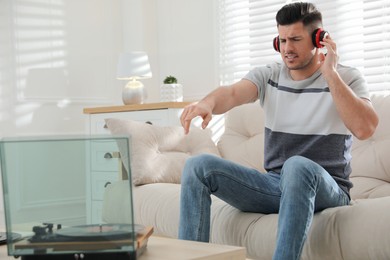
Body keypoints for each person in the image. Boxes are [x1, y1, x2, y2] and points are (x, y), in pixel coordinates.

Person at [178, 2, 379, 260]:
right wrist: (207, 103)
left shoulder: (346, 77)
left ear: (319, 39)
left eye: (295, 39)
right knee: (197, 166)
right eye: (282, 40)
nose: (287, 49)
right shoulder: (270, 75)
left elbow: (365, 128)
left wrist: (330, 74)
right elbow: (232, 93)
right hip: (275, 184)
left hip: (328, 189)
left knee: (296, 166)